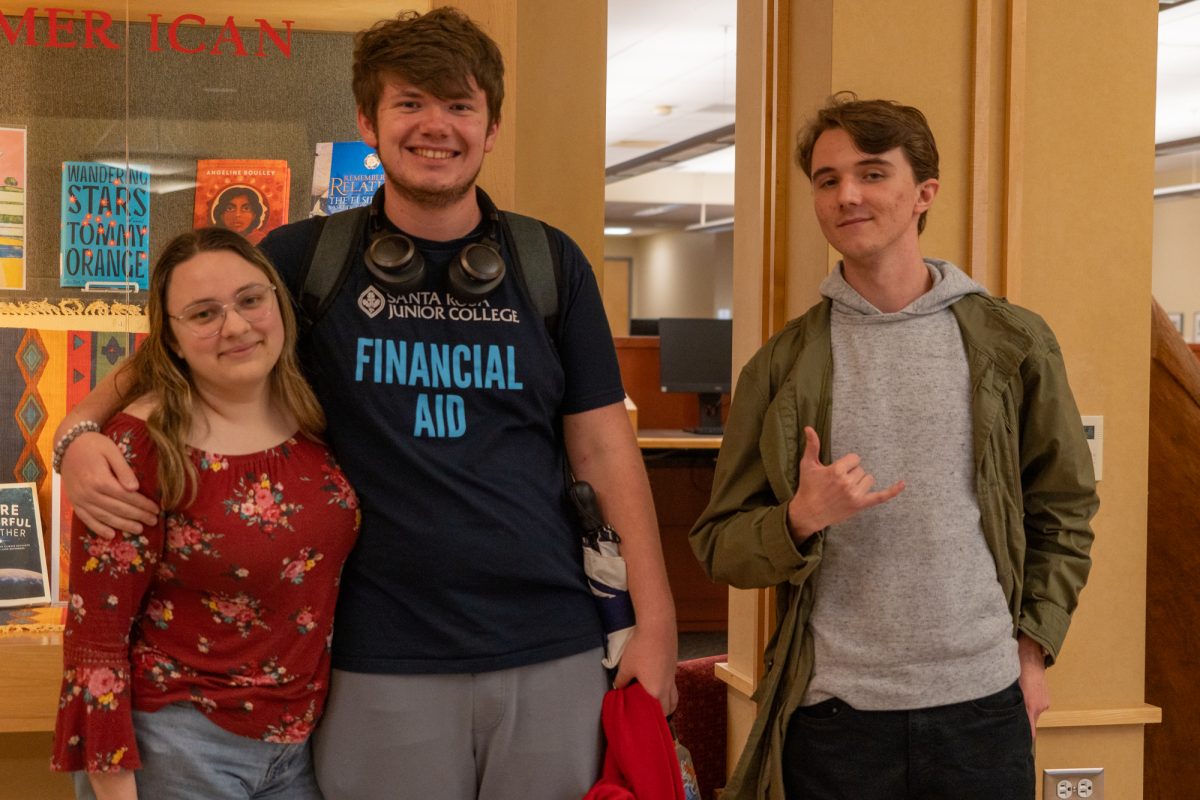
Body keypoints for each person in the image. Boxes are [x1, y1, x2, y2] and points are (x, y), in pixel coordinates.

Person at [54, 8, 678, 800]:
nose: (435, 127)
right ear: (368, 121)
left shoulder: (549, 263)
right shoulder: (302, 260)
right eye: (410, 102)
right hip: (378, 655)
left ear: (491, 126)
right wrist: (74, 438)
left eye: (460, 106)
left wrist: (654, 627)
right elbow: (166, 356)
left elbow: (604, 451)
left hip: (550, 644)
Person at [689, 93, 1098, 800]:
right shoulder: (782, 366)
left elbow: (1063, 509)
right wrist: (798, 519)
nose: (846, 194)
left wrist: (1032, 652)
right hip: (835, 717)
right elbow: (718, 543)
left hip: (982, 705)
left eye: (872, 173)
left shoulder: (1013, 344)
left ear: (923, 194)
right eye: (826, 179)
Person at [51, 227, 360, 799]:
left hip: (300, 747)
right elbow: (96, 638)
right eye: (203, 313)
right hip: (176, 744)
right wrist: (112, 788)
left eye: (250, 299)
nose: (237, 327)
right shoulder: (140, 446)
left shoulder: (314, 416)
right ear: (169, 339)